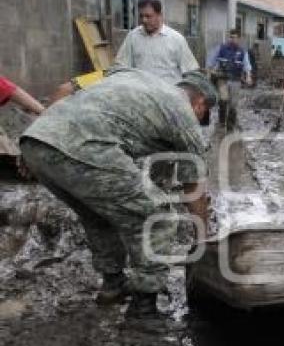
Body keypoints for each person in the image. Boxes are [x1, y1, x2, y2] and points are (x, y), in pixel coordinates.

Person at [19, 68, 217, 317]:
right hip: (84, 148)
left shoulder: (131, 74)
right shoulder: (184, 115)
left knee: (99, 214)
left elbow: (67, 88)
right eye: (202, 117)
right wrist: (204, 239)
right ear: (199, 104)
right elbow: (193, 188)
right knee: (158, 219)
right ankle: (144, 306)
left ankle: (113, 286)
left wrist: (40, 138)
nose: (199, 122)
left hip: (35, 141)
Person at [114, 0, 200, 83]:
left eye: (148, 16)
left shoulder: (176, 39)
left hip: (169, 93)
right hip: (141, 93)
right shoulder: (133, 37)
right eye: (141, 16)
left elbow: (191, 72)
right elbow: (121, 66)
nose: (144, 20)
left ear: (160, 15)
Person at [207, 29, 253, 128]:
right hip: (223, 79)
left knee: (233, 104)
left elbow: (247, 65)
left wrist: (248, 77)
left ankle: (231, 123)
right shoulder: (221, 49)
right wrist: (209, 73)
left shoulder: (242, 51)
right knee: (223, 99)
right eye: (231, 37)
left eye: (235, 37)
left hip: (236, 80)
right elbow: (211, 62)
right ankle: (222, 122)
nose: (232, 39)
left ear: (239, 39)